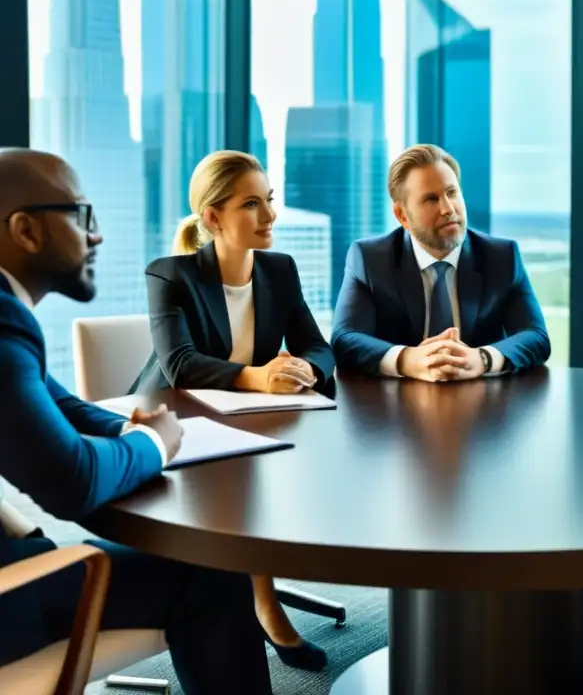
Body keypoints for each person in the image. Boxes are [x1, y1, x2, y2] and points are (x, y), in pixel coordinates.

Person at [0, 149, 272, 693]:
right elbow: (72, 482)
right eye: (82, 215)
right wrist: (153, 442)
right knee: (212, 575)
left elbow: (59, 405)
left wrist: (132, 429)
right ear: (25, 230)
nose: (95, 236)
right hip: (8, 603)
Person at [132, 150, 334, 671]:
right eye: (252, 204)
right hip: (177, 423)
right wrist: (257, 377)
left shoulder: (279, 270)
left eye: (269, 201)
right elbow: (180, 366)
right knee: (242, 485)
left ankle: (257, 602)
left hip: (250, 421)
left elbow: (318, 346)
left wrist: (306, 370)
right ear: (213, 217)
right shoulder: (170, 275)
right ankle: (262, 606)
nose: (270, 216)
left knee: (273, 472)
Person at [331, 143, 550, 380]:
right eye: (431, 199)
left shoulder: (502, 257)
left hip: (483, 404)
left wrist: (482, 359)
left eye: (452, 193)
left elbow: (536, 336)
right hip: (396, 406)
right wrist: (407, 359)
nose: (447, 208)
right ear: (402, 215)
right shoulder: (370, 259)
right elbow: (344, 339)